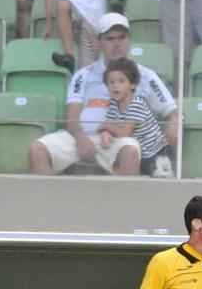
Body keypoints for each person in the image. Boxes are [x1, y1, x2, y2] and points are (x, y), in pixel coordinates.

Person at [29, 13, 179, 176]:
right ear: (99, 42)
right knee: (37, 150)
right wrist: (80, 139)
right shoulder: (83, 75)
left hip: (119, 140)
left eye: (122, 38)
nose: (117, 44)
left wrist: (173, 124)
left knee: (130, 151)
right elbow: (72, 116)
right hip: (82, 136)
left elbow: (173, 112)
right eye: (110, 39)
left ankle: (123, 202)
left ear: (129, 41)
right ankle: (51, 200)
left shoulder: (146, 75)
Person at [100, 57, 173, 177]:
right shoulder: (113, 104)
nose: (115, 86)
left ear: (133, 85)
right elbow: (110, 124)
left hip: (156, 154)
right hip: (140, 154)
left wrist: (106, 126)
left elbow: (124, 132)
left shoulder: (136, 104)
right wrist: (105, 133)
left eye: (121, 81)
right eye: (111, 82)